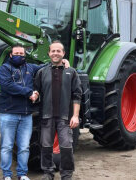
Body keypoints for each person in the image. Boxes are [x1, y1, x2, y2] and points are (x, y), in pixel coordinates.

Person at [0, 44, 69, 180]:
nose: (19, 56)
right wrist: (29, 92)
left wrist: (61, 61)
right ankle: (6, 175)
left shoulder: (30, 68)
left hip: (26, 115)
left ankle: (22, 174)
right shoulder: (5, 68)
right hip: (9, 113)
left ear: (25, 55)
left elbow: (45, 67)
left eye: (21, 54)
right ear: (11, 55)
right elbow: (7, 86)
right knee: (6, 146)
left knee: (24, 147)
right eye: (16, 53)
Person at [32, 41, 82, 180]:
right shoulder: (42, 72)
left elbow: (77, 95)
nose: (55, 53)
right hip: (47, 117)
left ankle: (66, 175)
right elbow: (37, 89)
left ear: (63, 54)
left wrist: (75, 116)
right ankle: (48, 173)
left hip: (65, 118)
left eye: (58, 51)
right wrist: (35, 94)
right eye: (53, 51)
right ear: (48, 53)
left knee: (66, 147)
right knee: (46, 147)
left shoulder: (71, 72)